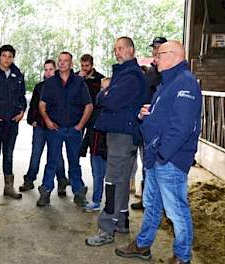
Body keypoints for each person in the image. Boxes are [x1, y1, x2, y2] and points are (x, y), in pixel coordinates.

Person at [115, 40, 201, 264]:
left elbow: (182, 127)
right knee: (151, 204)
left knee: (176, 212)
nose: (155, 59)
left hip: (169, 160)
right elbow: (166, 116)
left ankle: (182, 257)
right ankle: (143, 245)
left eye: (159, 55)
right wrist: (148, 113)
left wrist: (163, 155)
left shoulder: (186, 83)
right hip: (156, 158)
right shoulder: (168, 83)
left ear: (173, 55)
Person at [86, 37, 146, 246]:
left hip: (123, 135)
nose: (117, 52)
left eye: (121, 48)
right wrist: (105, 93)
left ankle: (106, 228)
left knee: (112, 181)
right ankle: (121, 220)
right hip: (120, 134)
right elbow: (101, 97)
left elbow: (107, 101)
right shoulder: (125, 74)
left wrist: (105, 93)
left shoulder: (131, 76)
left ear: (131, 49)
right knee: (121, 180)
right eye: (115, 49)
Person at [36, 51, 93, 207]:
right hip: (55, 129)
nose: (61, 63)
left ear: (71, 64)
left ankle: (79, 192)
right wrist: (47, 120)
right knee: (51, 161)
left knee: (74, 162)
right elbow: (42, 104)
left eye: (65, 61)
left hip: (74, 131)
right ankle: (46, 191)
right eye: (59, 61)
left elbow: (89, 105)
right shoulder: (50, 83)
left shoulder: (79, 82)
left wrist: (80, 126)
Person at [19, 59, 69, 196]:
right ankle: (29, 180)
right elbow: (34, 105)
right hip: (40, 126)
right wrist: (32, 120)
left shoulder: (62, 86)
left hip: (55, 127)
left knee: (57, 156)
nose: (48, 72)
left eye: (50, 69)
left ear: (56, 70)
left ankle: (61, 182)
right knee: (36, 153)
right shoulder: (39, 87)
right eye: (46, 70)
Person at [0, 44, 26, 200]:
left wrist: (22, 112)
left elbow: (22, 97)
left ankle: (9, 187)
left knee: (8, 155)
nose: (7, 59)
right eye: (4, 56)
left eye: (10, 56)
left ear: (13, 57)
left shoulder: (18, 75)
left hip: (12, 123)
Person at [131, 36, 167, 210]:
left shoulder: (165, 72)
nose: (155, 50)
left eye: (159, 47)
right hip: (145, 121)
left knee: (155, 163)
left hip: (157, 124)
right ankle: (147, 199)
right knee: (147, 162)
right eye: (154, 47)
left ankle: (154, 200)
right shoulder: (152, 71)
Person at [80, 77, 110, 212]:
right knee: (97, 175)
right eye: (101, 89)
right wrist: (83, 147)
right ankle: (96, 201)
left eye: (107, 89)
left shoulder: (114, 113)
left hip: (109, 152)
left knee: (111, 179)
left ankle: (111, 204)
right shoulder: (95, 111)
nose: (103, 92)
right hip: (95, 150)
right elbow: (89, 131)